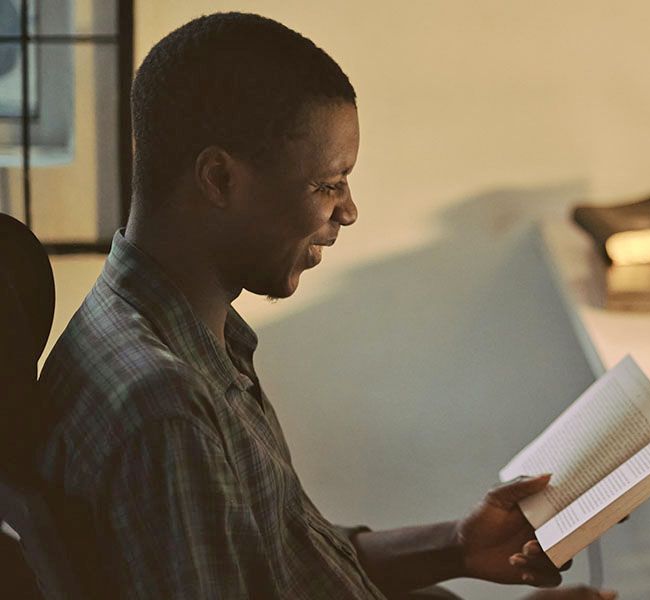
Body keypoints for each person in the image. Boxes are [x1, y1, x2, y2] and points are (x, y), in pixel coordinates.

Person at [34, 12, 615, 600]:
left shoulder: (181, 334)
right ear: (218, 179)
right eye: (328, 184)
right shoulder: (163, 412)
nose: (348, 211)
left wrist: (459, 547)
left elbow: (285, 561)